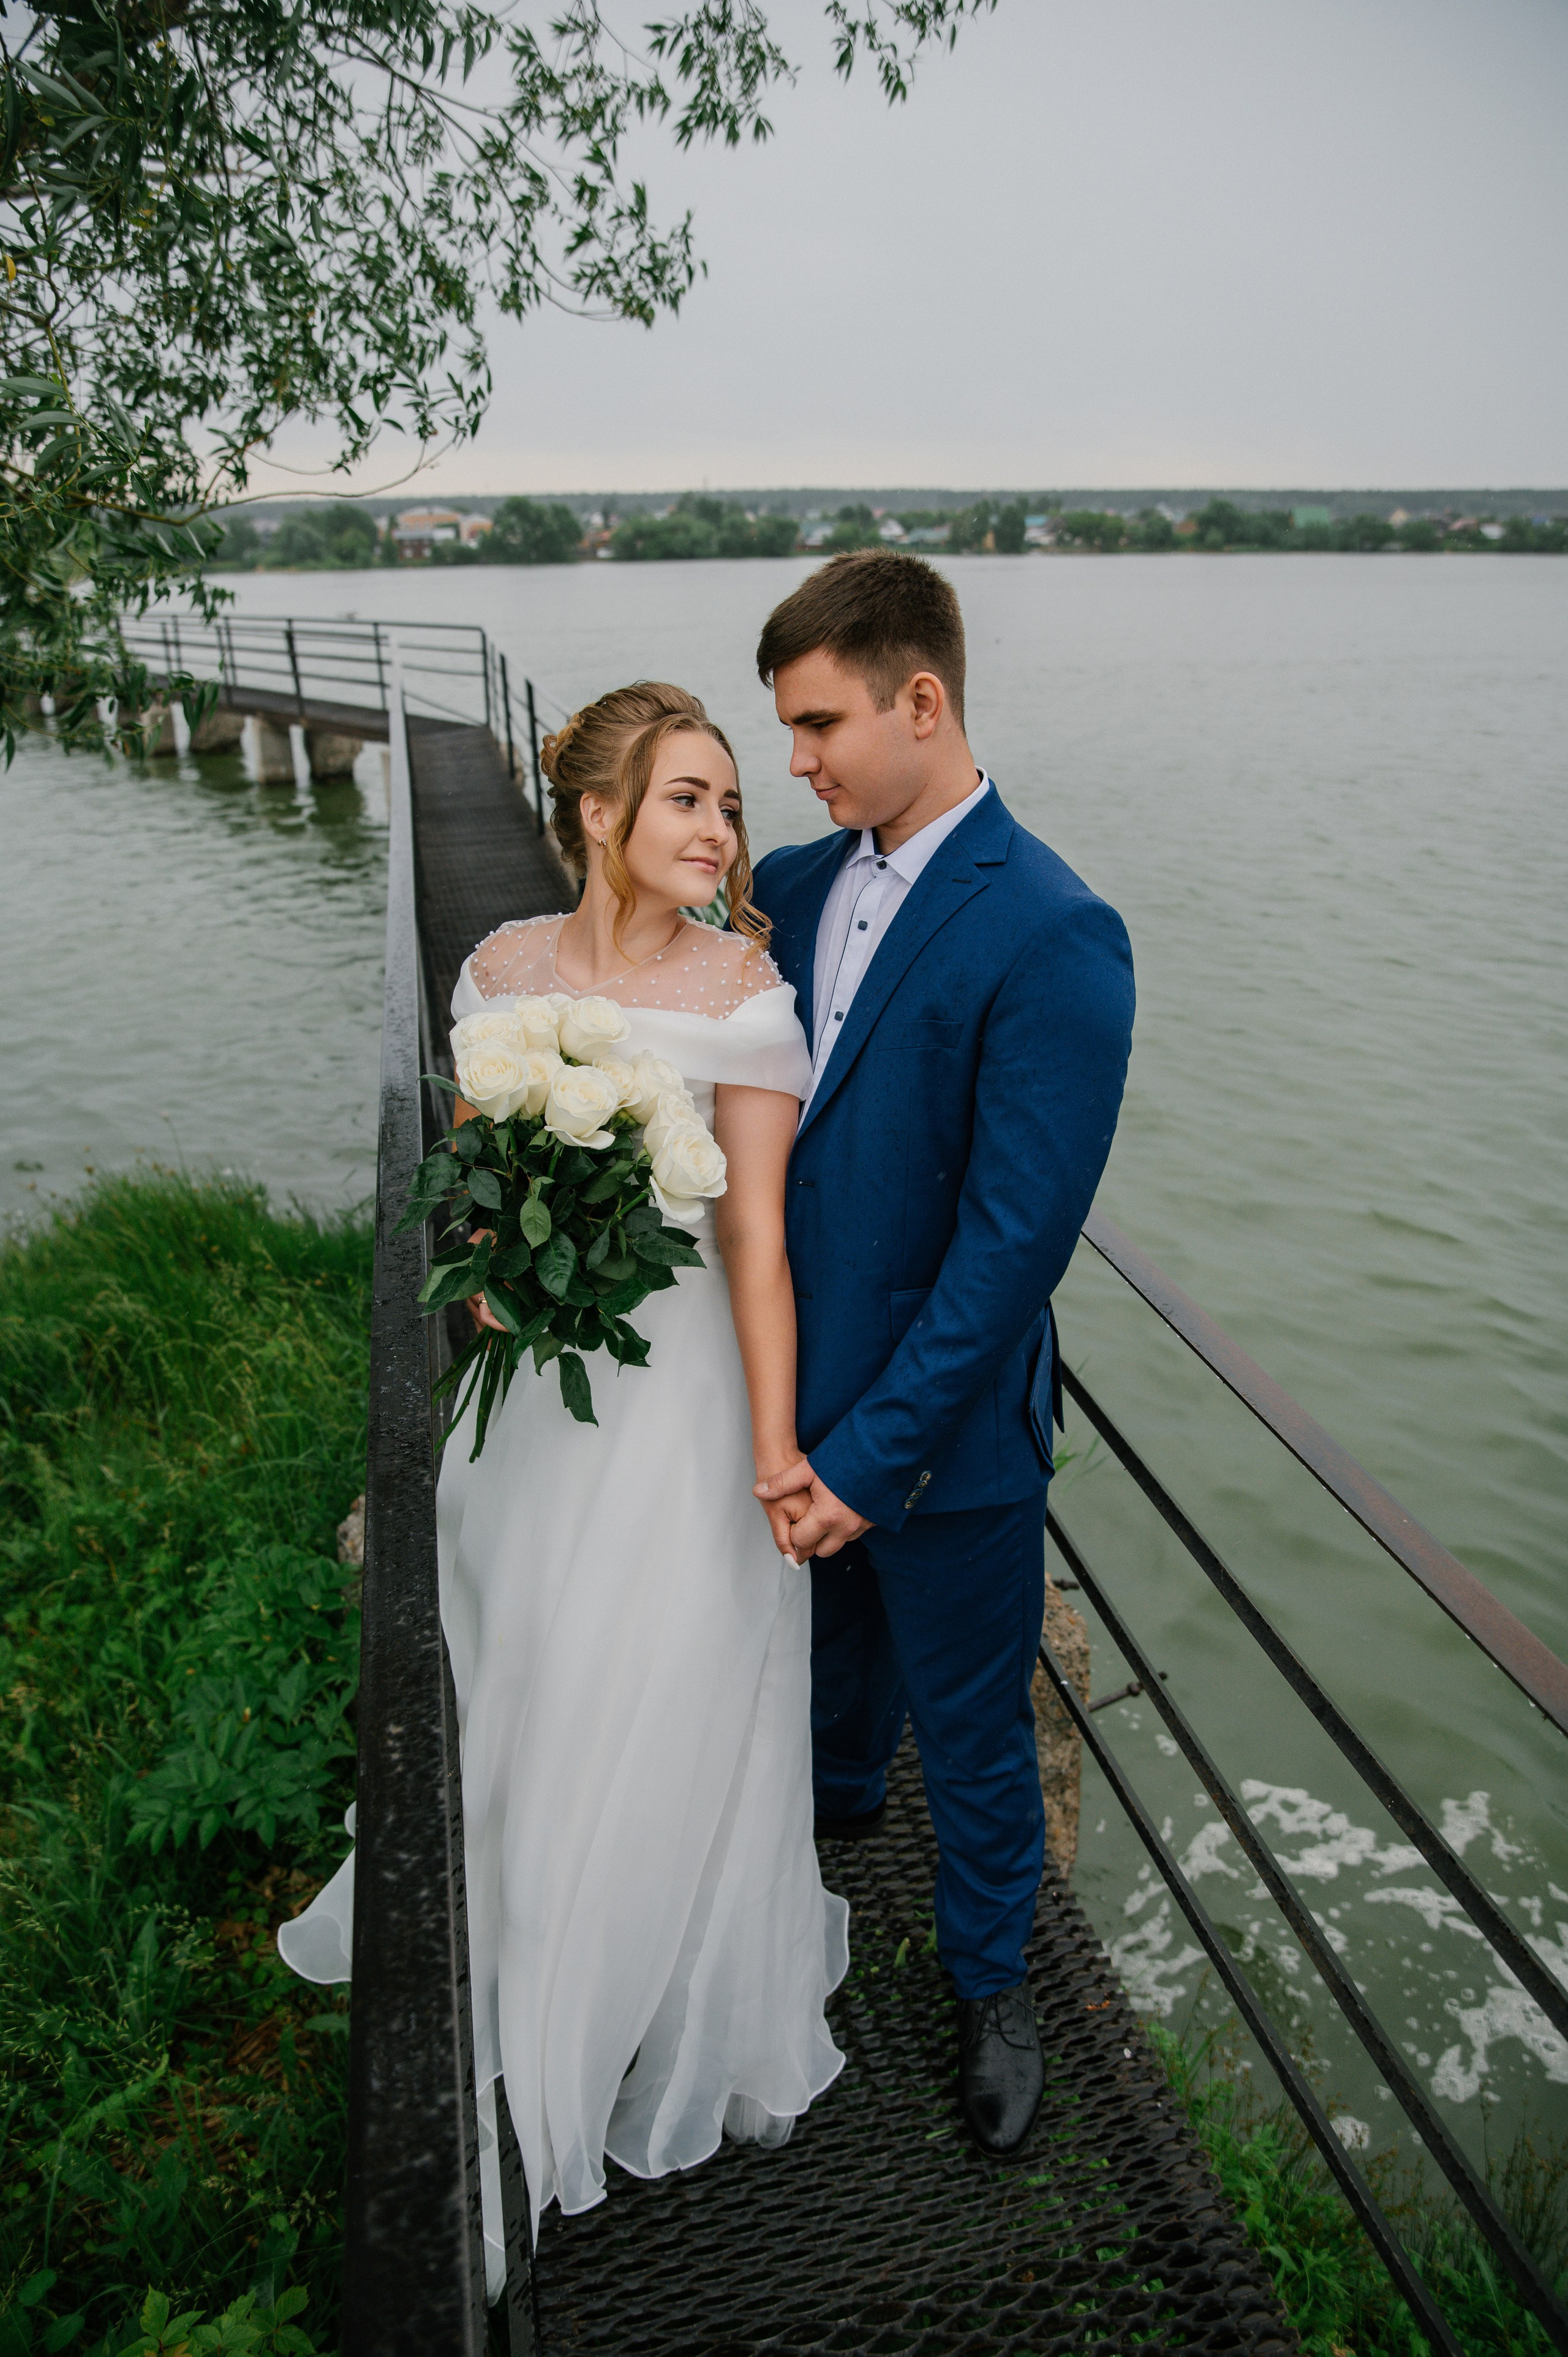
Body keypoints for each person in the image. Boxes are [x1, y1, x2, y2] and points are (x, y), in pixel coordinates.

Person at [279, 682, 847, 2298]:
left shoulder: (747, 992)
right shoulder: (504, 977)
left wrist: (774, 1449)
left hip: (684, 1408)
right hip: (542, 1393)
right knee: (525, 1661)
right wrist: (496, 1284)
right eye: (686, 799)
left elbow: (755, 1248)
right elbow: (473, 1197)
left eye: (731, 805)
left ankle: (640, 2000)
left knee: (664, 1681)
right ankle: (525, 1963)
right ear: (599, 816)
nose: (720, 832)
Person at [748, 551, 1135, 2159]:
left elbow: (1009, 1254)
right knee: (824, 1688)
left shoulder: (1055, 931)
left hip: (947, 1440)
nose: (800, 759)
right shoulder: (782, 882)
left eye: (822, 721)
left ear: (925, 698)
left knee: (974, 1736)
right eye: (785, 730)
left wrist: (869, 1454)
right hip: (781, 1414)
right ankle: (814, 1867)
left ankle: (991, 1990)